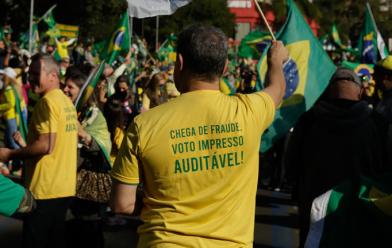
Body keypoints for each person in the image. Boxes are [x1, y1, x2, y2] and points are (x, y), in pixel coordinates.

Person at [110, 24, 288, 247]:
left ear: (180, 63)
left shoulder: (144, 124)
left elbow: (122, 204)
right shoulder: (249, 111)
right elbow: (278, 89)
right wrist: (276, 60)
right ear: (224, 68)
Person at [286, 67, 385, 247]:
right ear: (361, 91)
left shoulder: (309, 120)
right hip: (358, 206)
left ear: (330, 90)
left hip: (315, 206)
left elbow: (292, 163)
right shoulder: (376, 123)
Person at [0, 54, 78, 248]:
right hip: (64, 188)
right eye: (30, 73)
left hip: (44, 190)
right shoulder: (65, 101)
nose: (30, 78)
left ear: (53, 76)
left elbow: (46, 145)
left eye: (36, 74)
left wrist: (10, 154)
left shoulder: (48, 102)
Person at [63, 69, 112, 248]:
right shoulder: (65, 110)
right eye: (64, 86)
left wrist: (84, 134)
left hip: (88, 183)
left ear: (82, 92)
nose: (65, 90)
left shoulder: (94, 116)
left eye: (70, 87)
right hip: (67, 179)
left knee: (88, 230)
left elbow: (105, 147)